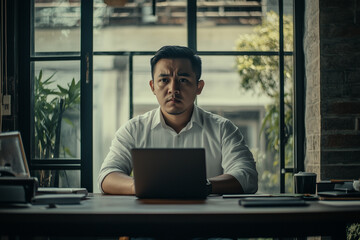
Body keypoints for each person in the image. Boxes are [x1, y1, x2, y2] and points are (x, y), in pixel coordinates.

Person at [98, 45, 258, 195]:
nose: (173, 89)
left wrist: (203, 185)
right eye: (164, 80)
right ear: (153, 86)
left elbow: (247, 175)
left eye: (183, 80)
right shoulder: (133, 129)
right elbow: (107, 175)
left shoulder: (223, 129)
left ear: (199, 87)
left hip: (207, 220)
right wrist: (141, 186)